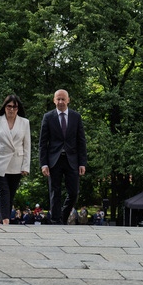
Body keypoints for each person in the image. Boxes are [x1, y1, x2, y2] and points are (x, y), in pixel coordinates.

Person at [39, 89, 87, 225]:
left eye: (63, 99)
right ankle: (55, 221)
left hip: (72, 160)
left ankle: (63, 217)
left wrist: (82, 163)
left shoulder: (76, 117)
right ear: (54, 100)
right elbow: (42, 143)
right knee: (55, 192)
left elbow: (81, 141)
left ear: (68, 100)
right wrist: (44, 164)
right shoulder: (48, 117)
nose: (60, 102)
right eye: (58, 99)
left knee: (74, 192)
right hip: (54, 160)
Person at [0, 94, 32, 226]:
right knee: (2, 191)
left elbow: (27, 145)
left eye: (14, 107)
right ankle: (5, 221)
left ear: (18, 108)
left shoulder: (25, 122)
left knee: (10, 193)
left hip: (16, 163)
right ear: (5, 107)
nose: (11, 109)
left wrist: (25, 166)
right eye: (9, 106)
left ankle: (6, 218)